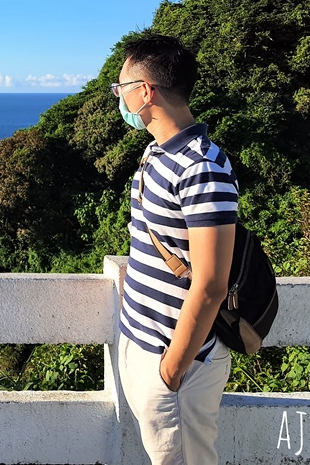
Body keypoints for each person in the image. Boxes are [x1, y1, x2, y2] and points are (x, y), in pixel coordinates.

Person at [113, 33, 237, 465]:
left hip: (175, 366)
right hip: (145, 346)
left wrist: (170, 372)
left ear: (145, 92)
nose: (118, 96)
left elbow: (209, 284)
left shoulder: (201, 167)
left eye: (121, 88)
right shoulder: (158, 153)